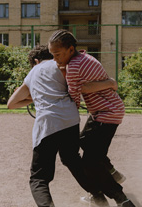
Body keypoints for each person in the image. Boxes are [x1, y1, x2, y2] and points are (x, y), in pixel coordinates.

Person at [7, 45, 116, 207]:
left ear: (36, 61)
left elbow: (11, 104)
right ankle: (99, 197)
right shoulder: (66, 67)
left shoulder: (35, 71)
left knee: (39, 178)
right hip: (70, 120)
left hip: (48, 125)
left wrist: (35, 96)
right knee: (72, 159)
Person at [48, 30, 136, 207]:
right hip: (107, 111)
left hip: (106, 114)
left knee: (90, 162)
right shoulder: (84, 57)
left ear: (70, 49)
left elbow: (74, 98)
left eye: (57, 54)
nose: (55, 59)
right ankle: (111, 172)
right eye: (52, 55)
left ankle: (121, 198)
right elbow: (85, 87)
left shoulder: (73, 67)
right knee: (86, 144)